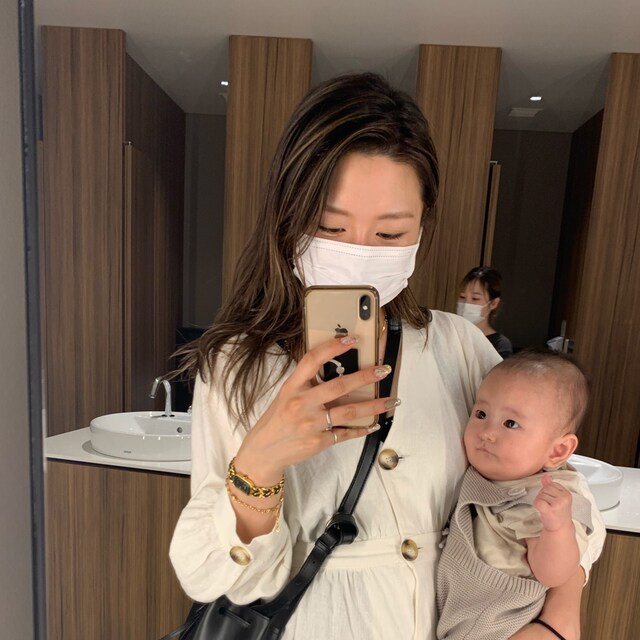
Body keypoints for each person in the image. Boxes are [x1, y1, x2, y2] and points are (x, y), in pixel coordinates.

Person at [169, 72, 604, 640]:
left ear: (423, 228)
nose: (356, 252)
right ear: (288, 217)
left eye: (390, 234)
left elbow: (555, 489)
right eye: (329, 226)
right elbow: (214, 576)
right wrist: (259, 467)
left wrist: (561, 614)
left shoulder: (458, 347)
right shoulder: (237, 366)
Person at [437, 350, 601, 640]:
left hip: (503, 625)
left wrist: (557, 528)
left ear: (558, 451)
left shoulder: (541, 498)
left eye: (510, 423)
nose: (487, 432)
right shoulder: (493, 475)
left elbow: (554, 574)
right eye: (481, 414)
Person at [457, 266, 513, 358]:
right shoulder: (450, 335)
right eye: (462, 297)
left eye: (475, 298)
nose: (466, 304)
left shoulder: (500, 345)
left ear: (493, 303)